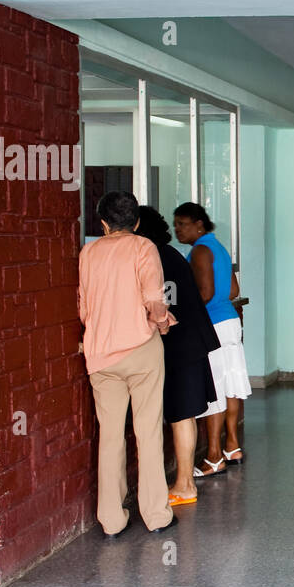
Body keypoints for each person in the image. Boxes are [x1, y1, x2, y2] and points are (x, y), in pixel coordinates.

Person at [77, 191, 178, 536]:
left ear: (103, 223)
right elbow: (154, 298)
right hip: (140, 349)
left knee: (110, 436)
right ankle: (155, 515)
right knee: (148, 432)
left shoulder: (88, 252)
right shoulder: (143, 247)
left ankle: (112, 520)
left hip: (101, 354)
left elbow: (84, 307)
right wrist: (163, 323)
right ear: (136, 222)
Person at [135, 206, 222, 506]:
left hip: (180, 344)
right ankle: (183, 482)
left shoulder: (153, 258)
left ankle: (185, 484)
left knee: (181, 413)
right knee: (182, 413)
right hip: (190, 341)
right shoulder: (169, 254)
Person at [172, 203, 251, 477]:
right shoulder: (218, 246)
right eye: (175, 224)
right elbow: (233, 290)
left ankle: (214, 457)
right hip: (229, 321)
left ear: (199, 225)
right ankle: (232, 446)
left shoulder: (200, 251)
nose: (177, 230)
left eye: (182, 224)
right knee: (230, 385)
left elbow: (203, 294)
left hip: (212, 325)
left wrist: (181, 313)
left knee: (215, 390)